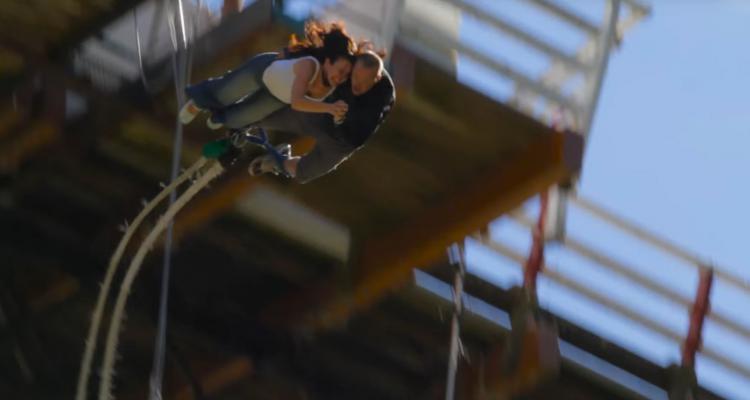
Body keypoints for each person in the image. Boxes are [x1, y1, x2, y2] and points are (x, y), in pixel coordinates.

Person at [249, 47, 396, 183]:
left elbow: (358, 137)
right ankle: (238, 123)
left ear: (376, 79)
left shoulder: (383, 96)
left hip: (343, 140)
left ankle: (277, 163)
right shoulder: (349, 59)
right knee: (261, 117)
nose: (356, 85)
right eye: (355, 76)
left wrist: (339, 120)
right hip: (322, 112)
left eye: (364, 83)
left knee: (303, 174)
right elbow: (320, 51)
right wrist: (289, 53)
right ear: (354, 65)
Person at [179, 21, 355, 130]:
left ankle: (220, 116)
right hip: (262, 71)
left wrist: (337, 114)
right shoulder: (309, 65)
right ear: (327, 62)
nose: (340, 78)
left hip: (277, 97)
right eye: (340, 71)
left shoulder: (330, 88)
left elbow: (314, 107)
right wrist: (330, 109)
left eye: (346, 76)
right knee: (223, 93)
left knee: (239, 118)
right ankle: (199, 102)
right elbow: (298, 102)